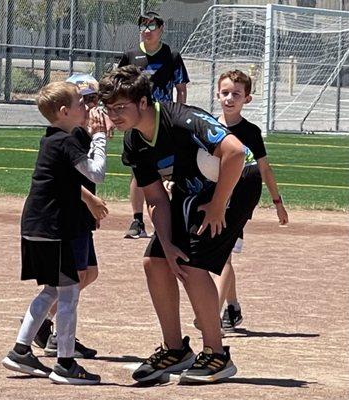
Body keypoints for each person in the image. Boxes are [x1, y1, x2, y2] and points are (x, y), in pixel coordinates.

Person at [99, 65, 262, 384]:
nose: (114, 114)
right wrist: (168, 244)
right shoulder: (134, 141)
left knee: (194, 265)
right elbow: (157, 199)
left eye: (121, 107)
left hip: (237, 184)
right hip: (192, 188)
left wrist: (218, 206)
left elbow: (236, 152)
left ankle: (217, 354)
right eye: (109, 108)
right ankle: (175, 349)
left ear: (143, 102)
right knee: (156, 261)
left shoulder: (183, 119)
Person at [2, 81, 109, 385]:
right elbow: (96, 172)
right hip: (53, 228)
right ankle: (64, 363)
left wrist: (91, 133)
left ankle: (22, 350)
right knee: (68, 293)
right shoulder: (65, 142)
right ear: (65, 111)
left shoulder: (52, 140)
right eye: (80, 103)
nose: (86, 107)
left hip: (36, 225)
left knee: (52, 289)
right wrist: (100, 137)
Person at [40, 73, 112, 359]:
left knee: (88, 273)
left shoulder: (83, 132)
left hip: (79, 213)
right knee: (72, 277)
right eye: (87, 100)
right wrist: (91, 200)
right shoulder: (73, 135)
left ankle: (44, 324)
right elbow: (66, 178)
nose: (93, 106)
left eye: (96, 99)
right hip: (69, 214)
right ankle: (48, 329)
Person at [214, 69, 289, 331]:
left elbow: (265, 169)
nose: (230, 98)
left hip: (240, 203)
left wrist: (277, 203)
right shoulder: (209, 127)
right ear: (217, 94)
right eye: (225, 93)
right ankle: (232, 308)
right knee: (222, 257)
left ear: (247, 99)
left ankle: (211, 315)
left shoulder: (251, 132)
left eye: (236, 94)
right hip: (214, 200)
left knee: (222, 258)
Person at [118, 11, 190, 239]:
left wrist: (179, 115)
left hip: (165, 120)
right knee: (138, 171)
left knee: (172, 169)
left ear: (161, 29)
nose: (147, 31)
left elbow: (180, 88)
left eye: (151, 26)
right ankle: (137, 220)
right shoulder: (130, 55)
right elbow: (117, 85)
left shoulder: (172, 55)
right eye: (143, 26)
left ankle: (175, 218)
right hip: (137, 121)